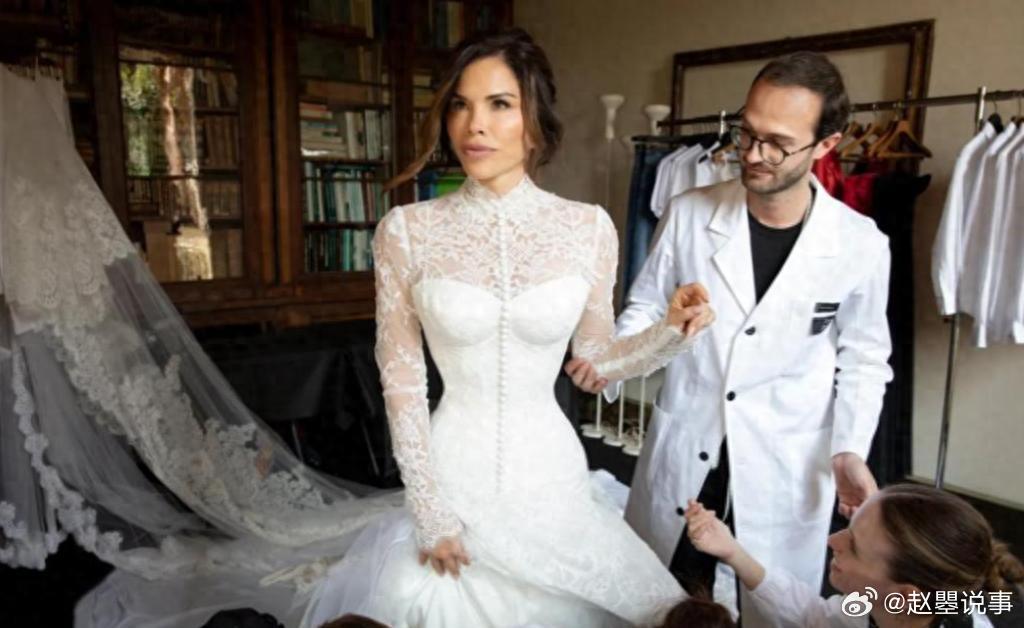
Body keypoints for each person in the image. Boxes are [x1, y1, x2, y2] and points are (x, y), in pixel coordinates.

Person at [301, 28, 713, 628]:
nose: (475, 125)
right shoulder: (406, 230)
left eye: (500, 104)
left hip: (550, 470)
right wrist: (429, 508)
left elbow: (596, 362)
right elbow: (403, 383)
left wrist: (671, 331)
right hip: (454, 471)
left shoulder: (589, 228)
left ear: (535, 121)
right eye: (461, 105)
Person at [565, 51, 893, 624]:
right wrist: (617, 360)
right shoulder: (690, 213)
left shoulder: (860, 243)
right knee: (663, 600)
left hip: (786, 458)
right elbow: (645, 308)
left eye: (778, 144)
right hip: (690, 442)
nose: (754, 154)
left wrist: (848, 450)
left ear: (825, 145)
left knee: (774, 606)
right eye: (748, 133)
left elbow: (865, 359)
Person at [685, 484, 1024, 627]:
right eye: (849, 526)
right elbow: (814, 615)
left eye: (855, 546)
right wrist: (733, 552)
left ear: (905, 596)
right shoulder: (885, 606)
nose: (832, 540)